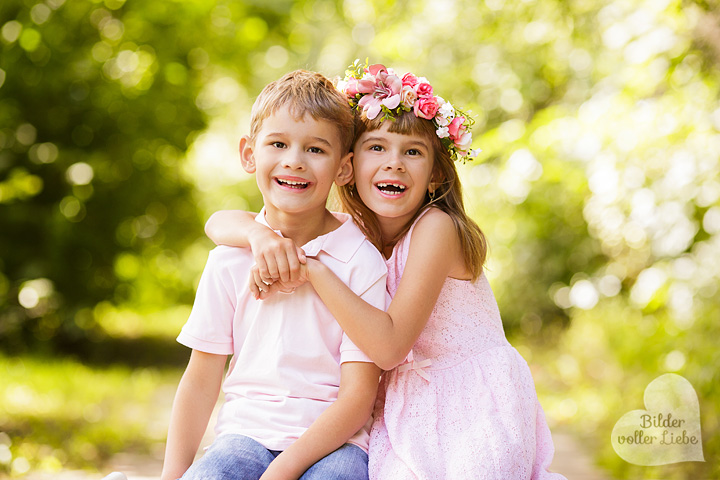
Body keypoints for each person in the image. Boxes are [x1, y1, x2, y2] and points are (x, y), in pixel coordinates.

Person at [205, 62, 566, 479]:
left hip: (469, 402)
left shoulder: (436, 228)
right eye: (377, 147)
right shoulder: (358, 233)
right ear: (349, 166)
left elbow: (391, 347)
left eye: (412, 151)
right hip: (405, 404)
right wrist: (259, 236)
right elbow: (219, 222)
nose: (393, 164)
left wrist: (314, 270)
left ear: (434, 175)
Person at [161, 69, 388, 480]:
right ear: (249, 154)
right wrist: (172, 477)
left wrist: (282, 471)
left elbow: (358, 398)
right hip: (244, 436)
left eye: (316, 149)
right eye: (278, 143)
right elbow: (200, 379)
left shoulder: (360, 259)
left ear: (344, 168)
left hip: (336, 442)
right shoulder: (229, 258)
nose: (294, 161)